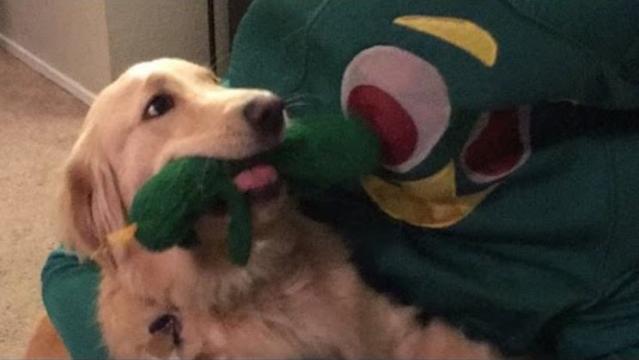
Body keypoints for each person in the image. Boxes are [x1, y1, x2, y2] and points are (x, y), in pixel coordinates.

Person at [42, 0, 639, 358]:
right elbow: (73, 263)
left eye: (213, 84)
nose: (259, 102)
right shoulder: (297, 31)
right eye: (161, 107)